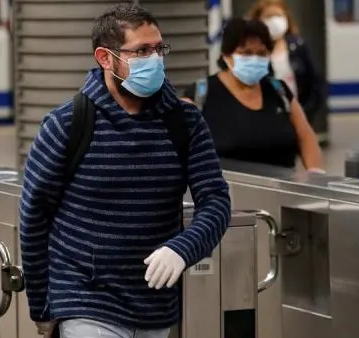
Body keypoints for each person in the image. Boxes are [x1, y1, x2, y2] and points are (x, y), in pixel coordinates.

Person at [19, 4, 231, 338]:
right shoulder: (67, 124)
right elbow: (34, 217)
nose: (156, 59)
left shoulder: (185, 123)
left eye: (159, 48)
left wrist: (183, 247)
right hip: (85, 301)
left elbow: (216, 201)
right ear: (105, 58)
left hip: (154, 306)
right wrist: (40, 306)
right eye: (142, 51)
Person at [182, 18, 323, 171]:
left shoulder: (279, 92)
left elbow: (306, 136)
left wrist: (315, 173)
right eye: (246, 53)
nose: (255, 59)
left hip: (281, 191)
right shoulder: (201, 95)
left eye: (262, 53)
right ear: (226, 55)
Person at [247, 0, 326, 132]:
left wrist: (306, 113)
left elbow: (315, 82)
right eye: (269, 16)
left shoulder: (298, 46)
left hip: (297, 119)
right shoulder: (251, 52)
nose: (275, 21)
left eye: (279, 16)